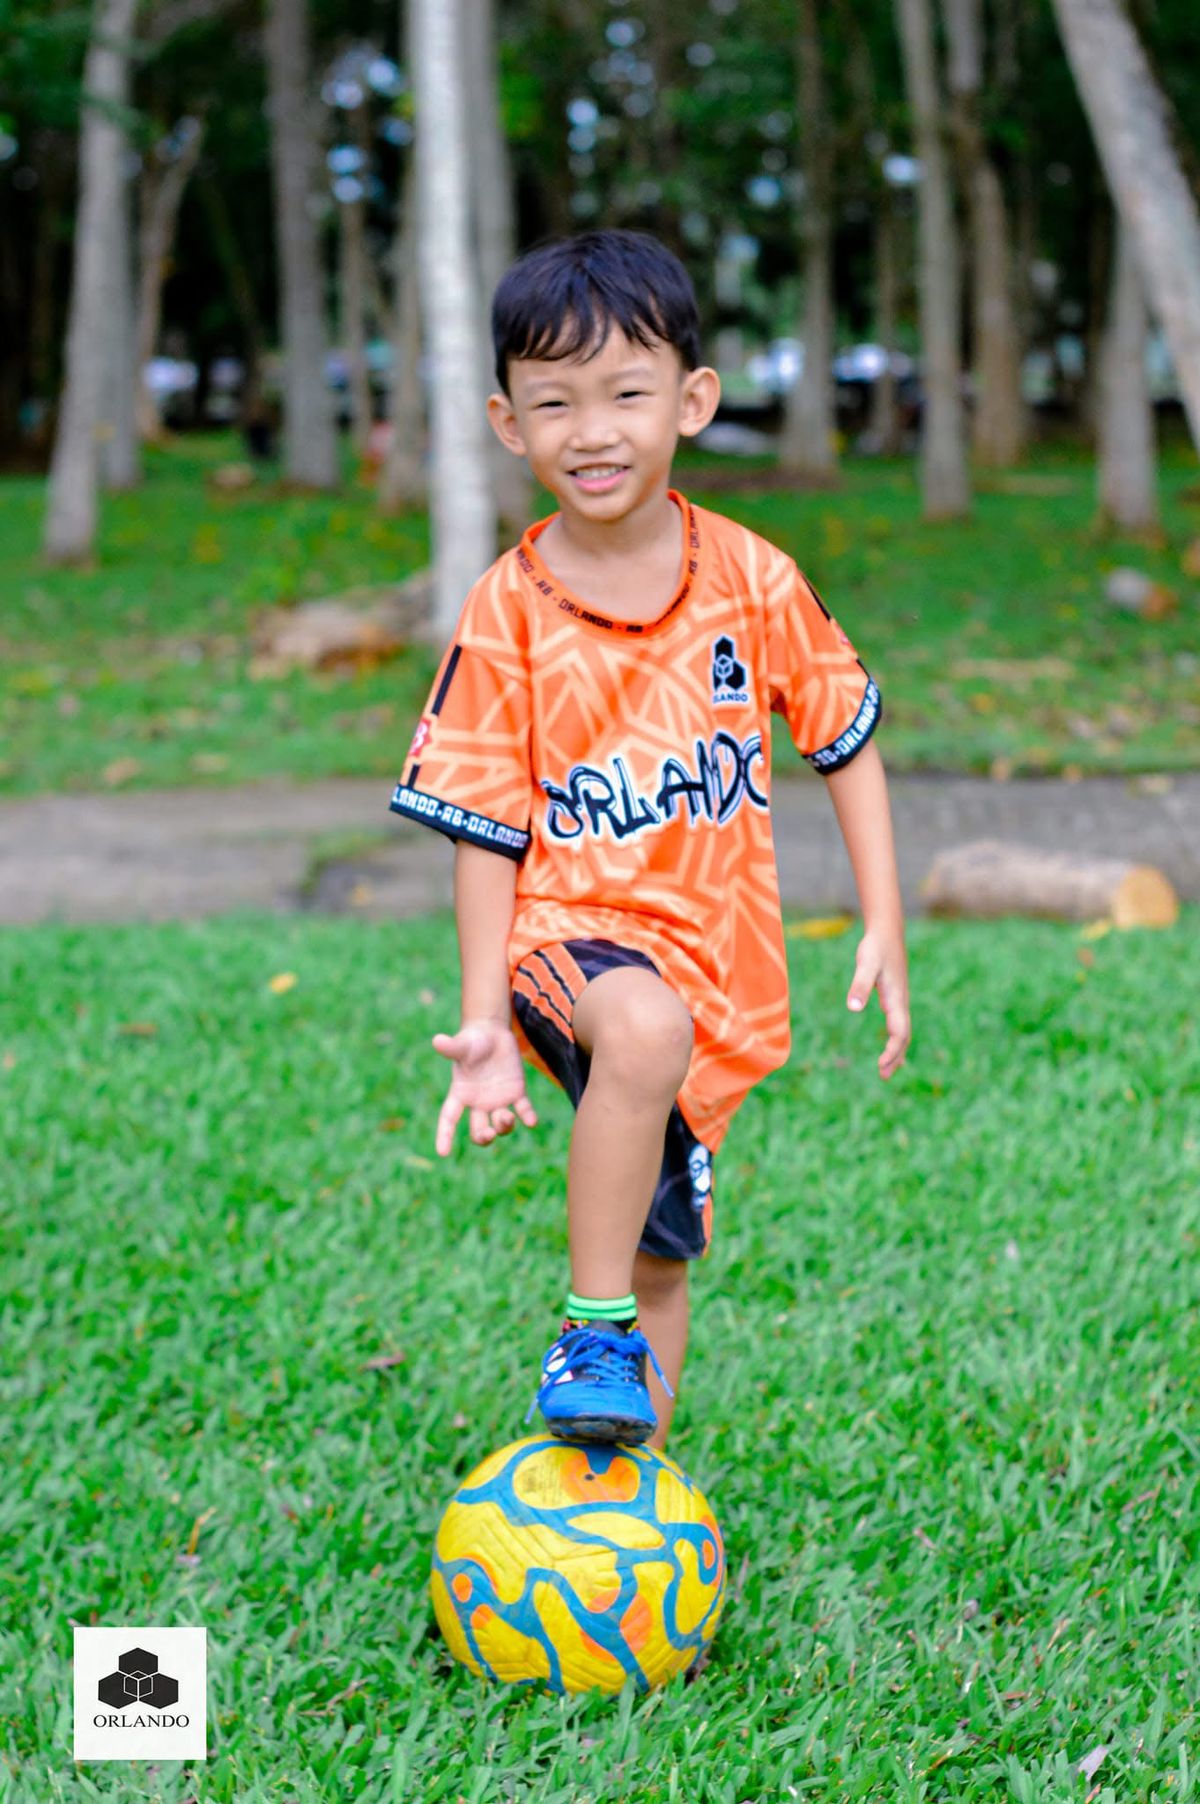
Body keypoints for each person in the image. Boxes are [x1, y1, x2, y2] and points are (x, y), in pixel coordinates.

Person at [389, 229, 910, 1454]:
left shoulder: (752, 577)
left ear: (693, 399)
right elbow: (481, 824)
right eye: (555, 402)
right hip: (569, 947)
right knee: (641, 1030)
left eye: (627, 392)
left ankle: (624, 1489)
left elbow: (845, 735)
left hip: (713, 966)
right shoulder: (508, 607)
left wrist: (885, 918)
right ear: (509, 425)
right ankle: (589, 1324)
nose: (595, 430)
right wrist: (483, 1027)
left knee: (668, 1264)